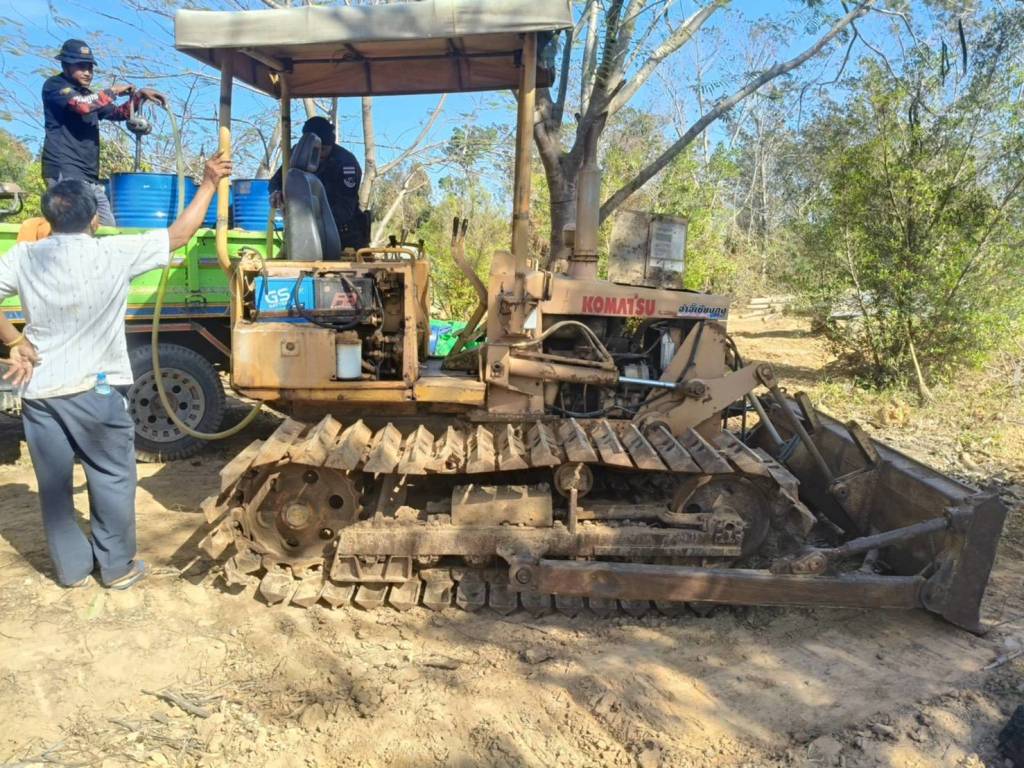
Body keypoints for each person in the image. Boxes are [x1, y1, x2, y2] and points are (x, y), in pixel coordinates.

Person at [0, 153, 232, 590]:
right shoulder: (113, 251)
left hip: (41, 391)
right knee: (111, 476)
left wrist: (15, 341)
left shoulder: (25, 256)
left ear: (48, 220)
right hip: (96, 390)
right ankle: (116, 567)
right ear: (94, 219)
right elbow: (180, 235)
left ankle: (72, 570)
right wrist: (207, 183)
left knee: (54, 487)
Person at [42, 38, 167, 226]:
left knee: (107, 227)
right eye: (81, 66)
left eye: (90, 67)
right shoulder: (55, 86)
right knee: (71, 227)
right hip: (65, 171)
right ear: (65, 65)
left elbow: (118, 113)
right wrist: (113, 91)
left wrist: (139, 97)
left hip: (88, 175)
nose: (88, 72)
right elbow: (82, 106)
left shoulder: (87, 95)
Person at [269, 116, 369, 251]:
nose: (319, 154)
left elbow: (345, 209)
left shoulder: (345, 163)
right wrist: (276, 192)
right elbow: (276, 181)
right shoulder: (298, 155)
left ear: (331, 145)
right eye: (315, 150)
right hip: (304, 231)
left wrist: (314, 222)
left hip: (344, 233)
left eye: (324, 149)